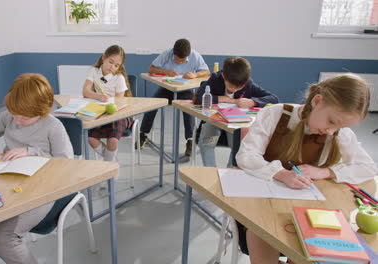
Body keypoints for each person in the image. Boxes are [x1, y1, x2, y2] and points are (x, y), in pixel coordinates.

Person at [235, 73, 377, 264]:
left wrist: (326, 172)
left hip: (307, 211)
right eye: (332, 122)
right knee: (262, 234)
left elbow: (368, 167)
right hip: (263, 207)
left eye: (339, 127)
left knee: (311, 247)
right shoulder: (275, 114)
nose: (331, 132)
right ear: (317, 101)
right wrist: (281, 173)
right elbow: (246, 156)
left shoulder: (339, 133)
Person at [0, 73, 74, 264]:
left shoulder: (54, 127)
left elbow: (66, 164)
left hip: (42, 190)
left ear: (42, 110)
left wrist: (31, 151)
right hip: (8, 186)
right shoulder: (10, 117)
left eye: (24, 118)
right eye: (14, 114)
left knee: (3, 239)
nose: (17, 121)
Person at [194, 57, 279, 167]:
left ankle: (229, 172)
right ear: (223, 76)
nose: (234, 90)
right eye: (230, 86)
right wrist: (227, 99)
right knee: (206, 143)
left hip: (234, 124)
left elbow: (273, 98)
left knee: (237, 147)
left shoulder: (248, 83)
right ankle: (212, 171)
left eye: (239, 87)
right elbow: (199, 98)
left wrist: (253, 102)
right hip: (214, 121)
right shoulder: (215, 79)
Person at [139, 38, 210, 156]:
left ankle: (190, 141)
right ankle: (143, 134)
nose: (180, 63)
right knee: (151, 105)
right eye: (178, 60)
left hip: (184, 90)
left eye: (183, 60)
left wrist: (195, 74)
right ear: (173, 52)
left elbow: (207, 72)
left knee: (189, 110)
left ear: (188, 54)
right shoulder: (167, 53)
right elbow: (151, 69)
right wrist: (167, 72)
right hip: (166, 88)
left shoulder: (195, 55)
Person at [83, 45, 133, 163]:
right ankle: (111, 161)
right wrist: (99, 96)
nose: (112, 67)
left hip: (118, 113)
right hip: (100, 111)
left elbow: (119, 101)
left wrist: (109, 102)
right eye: (110, 62)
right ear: (104, 57)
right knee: (90, 137)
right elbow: (86, 91)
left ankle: (109, 167)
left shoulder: (119, 78)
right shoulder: (93, 71)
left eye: (116, 65)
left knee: (113, 140)